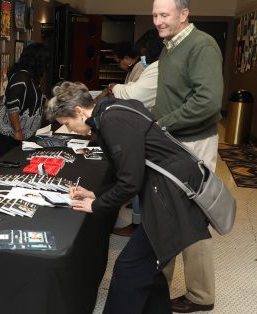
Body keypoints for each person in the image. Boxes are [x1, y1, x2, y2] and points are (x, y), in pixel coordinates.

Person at [45, 81, 211, 313]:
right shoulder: (112, 110)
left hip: (173, 194)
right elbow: (129, 171)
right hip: (167, 189)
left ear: (79, 112)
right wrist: (96, 193)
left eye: (67, 124)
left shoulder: (112, 122)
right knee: (149, 265)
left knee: (128, 269)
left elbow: (130, 182)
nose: (70, 130)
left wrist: (97, 204)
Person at [152, 0, 223, 312]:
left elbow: (207, 102)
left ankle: (200, 295)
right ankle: (158, 283)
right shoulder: (169, 46)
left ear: (184, 14)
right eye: (154, 14)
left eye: (164, 14)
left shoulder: (201, 45)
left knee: (192, 217)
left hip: (194, 143)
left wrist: (162, 123)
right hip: (173, 142)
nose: (157, 20)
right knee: (168, 212)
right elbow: (171, 97)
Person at [106, 29, 165, 237]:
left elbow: (135, 95)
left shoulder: (154, 68)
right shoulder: (155, 66)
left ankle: (140, 226)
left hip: (151, 128)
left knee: (143, 178)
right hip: (149, 126)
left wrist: (115, 88)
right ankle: (140, 224)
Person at [0, 42, 49, 156]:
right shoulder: (21, 76)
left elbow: (34, 98)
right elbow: (12, 105)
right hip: (6, 130)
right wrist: (18, 131)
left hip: (18, 132)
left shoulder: (31, 77)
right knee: (7, 160)